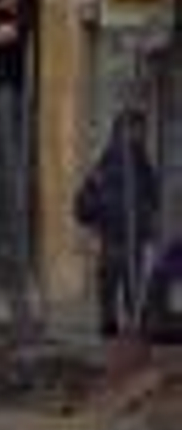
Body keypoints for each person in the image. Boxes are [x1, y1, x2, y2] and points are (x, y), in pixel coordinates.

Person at [76, 107, 159, 339]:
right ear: (122, 131)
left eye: (140, 130)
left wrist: (150, 227)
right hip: (114, 241)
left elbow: (154, 200)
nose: (139, 135)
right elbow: (83, 205)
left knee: (134, 301)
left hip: (133, 242)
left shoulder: (142, 165)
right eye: (135, 129)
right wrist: (99, 215)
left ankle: (128, 343)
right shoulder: (107, 165)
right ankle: (115, 344)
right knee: (113, 301)